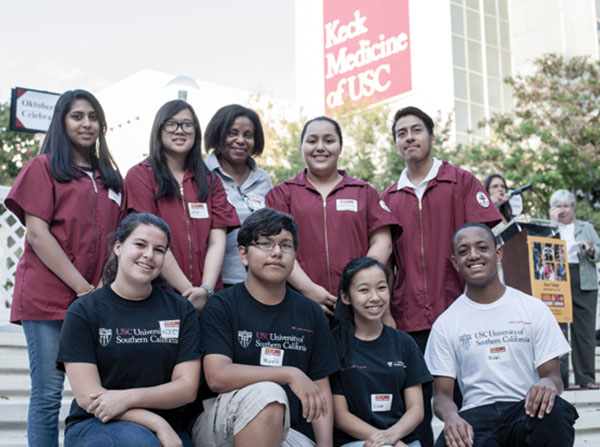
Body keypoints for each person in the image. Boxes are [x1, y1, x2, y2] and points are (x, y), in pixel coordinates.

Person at [4, 89, 123, 447]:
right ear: (61, 121)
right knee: (47, 393)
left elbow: (118, 238)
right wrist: (83, 289)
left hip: (97, 300)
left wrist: (101, 287)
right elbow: (38, 236)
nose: (87, 124)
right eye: (77, 116)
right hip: (48, 298)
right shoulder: (42, 168)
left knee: (98, 392)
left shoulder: (109, 178)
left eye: (93, 116)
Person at [380, 106, 501, 446]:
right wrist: (388, 311)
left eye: (416, 130)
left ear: (431, 137)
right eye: (401, 133)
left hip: (462, 313)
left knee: (465, 407)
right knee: (415, 405)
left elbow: (484, 243)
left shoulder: (460, 182)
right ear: (396, 144)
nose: (409, 138)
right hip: (409, 319)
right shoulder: (387, 198)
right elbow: (385, 264)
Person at [191, 208, 340, 447]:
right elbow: (217, 376)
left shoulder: (310, 312)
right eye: (266, 243)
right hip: (220, 425)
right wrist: (289, 373)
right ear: (243, 255)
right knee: (268, 394)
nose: (277, 253)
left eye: (286, 245)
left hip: (286, 429)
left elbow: (320, 390)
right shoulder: (222, 305)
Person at [424, 223, 578, 447]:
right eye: (464, 251)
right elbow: (442, 396)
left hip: (526, 409)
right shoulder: (446, 323)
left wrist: (548, 383)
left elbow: (553, 375)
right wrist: (451, 417)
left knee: (556, 411)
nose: (474, 255)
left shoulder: (533, 309)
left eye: (482, 247)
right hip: (476, 418)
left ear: (497, 254)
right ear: (456, 263)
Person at [57, 213, 202, 447]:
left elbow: (186, 388)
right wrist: (155, 422)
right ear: (118, 247)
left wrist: (127, 398)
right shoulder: (84, 311)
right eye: (140, 245)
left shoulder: (180, 310)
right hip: (97, 424)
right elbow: (89, 397)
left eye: (159, 250)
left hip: (170, 429)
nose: (149, 255)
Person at [267, 116, 399, 316]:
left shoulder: (364, 192)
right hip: (298, 305)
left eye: (329, 141)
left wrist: (358, 284)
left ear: (340, 147)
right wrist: (308, 289)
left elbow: (383, 242)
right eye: (312, 141)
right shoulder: (282, 194)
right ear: (302, 147)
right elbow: (276, 248)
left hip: (357, 308)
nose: (320, 147)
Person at [124, 100, 239, 311]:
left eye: (187, 124)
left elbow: (217, 240)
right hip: (158, 294)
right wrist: (188, 292)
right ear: (159, 129)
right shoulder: (140, 175)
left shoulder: (210, 180)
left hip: (210, 297)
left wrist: (205, 290)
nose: (180, 131)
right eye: (171, 124)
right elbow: (150, 240)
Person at [331, 257, 432, 447]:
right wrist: (385, 441)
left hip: (403, 439)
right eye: (363, 290)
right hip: (357, 441)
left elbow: (416, 408)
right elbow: (340, 416)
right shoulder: (335, 346)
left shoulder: (404, 343)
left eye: (381, 288)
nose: (375, 297)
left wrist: (393, 437)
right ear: (345, 297)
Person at [204, 104, 272, 286]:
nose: (240, 140)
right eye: (232, 133)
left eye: (247, 135)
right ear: (218, 135)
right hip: (216, 282)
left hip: (259, 281)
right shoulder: (202, 175)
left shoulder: (263, 179)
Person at [549, 189, 600, 389]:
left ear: (573, 208)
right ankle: (558, 379)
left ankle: (585, 378)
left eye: (566, 206)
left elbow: (598, 250)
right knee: (557, 329)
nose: (563, 210)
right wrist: (552, 225)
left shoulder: (585, 227)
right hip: (555, 278)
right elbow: (537, 249)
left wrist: (590, 248)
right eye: (558, 206)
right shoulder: (547, 227)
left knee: (584, 330)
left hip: (583, 276)